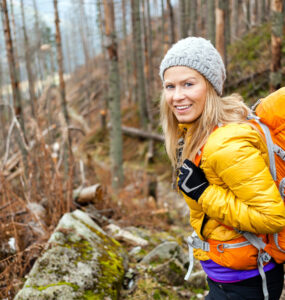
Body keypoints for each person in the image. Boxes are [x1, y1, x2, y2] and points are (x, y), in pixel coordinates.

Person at [159, 36, 285, 300]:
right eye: (170, 86)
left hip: (247, 284)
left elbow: (274, 217)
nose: (177, 96)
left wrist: (203, 193)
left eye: (188, 84)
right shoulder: (200, 133)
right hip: (228, 278)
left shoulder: (225, 143)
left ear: (211, 87)